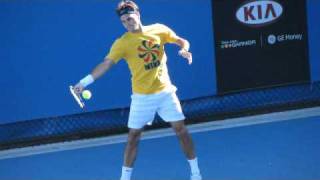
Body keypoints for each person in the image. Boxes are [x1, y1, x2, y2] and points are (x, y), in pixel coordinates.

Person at [73, 1, 202, 180]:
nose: (128, 22)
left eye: (130, 18)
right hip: (142, 97)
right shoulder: (122, 43)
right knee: (133, 136)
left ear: (138, 14)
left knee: (181, 130)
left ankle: (196, 173)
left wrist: (184, 50)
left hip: (166, 93)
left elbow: (181, 41)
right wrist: (84, 82)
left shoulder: (159, 29)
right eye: (124, 21)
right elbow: (106, 64)